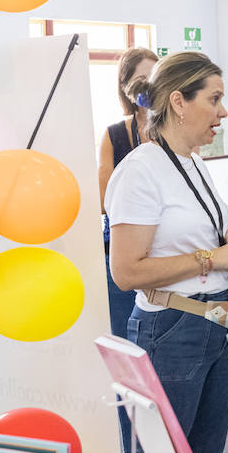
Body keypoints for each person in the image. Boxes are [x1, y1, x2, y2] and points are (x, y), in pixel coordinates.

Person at [106, 52, 228, 453]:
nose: (223, 112)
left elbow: (200, 227)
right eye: (215, 98)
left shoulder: (191, 161)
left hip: (218, 323)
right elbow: (126, 272)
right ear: (178, 102)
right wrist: (211, 258)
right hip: (173, 330)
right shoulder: (140, 171)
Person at [97, 47, 157, 339]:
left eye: (156, 77)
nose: (150, 85)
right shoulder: (113, 135)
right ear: (126, 87)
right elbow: (103, 201)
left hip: (167, 254)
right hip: (122, 253)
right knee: (126, 340)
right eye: (143, 78)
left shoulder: (179, 131)